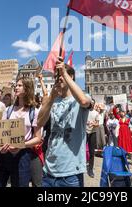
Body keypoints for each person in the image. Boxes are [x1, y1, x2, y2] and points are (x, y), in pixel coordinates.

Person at [37, 57, 93, 187]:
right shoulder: (52, 101)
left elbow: (84, 102)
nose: (58, 79)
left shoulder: (82, 98)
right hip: (49, 170)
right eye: (56, 76)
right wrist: (50, 98)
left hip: (71, 172)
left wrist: (64, 74)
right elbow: (39, 123)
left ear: (71, 76)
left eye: (60, 75)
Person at [0, 78, 42, 187]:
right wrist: (0, 147)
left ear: (27, 89)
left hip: (23, 156)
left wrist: (21, 145)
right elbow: (0, 133)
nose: (16, 87)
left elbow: (38, 138)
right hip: (4, 154)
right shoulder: (8, 110)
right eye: (16, 85)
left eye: (20, 85)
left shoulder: (34, 112)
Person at [86, 105, 100, 178]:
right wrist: (86, 122)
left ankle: (90, 170)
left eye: (92, 103)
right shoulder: (84, 111)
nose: (91, 104)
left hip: (93, 133)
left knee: (92, 152)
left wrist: (93, 124)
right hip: (85, 132)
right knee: (81, 150)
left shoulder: (96, 113)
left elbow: (98, 124)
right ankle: (80, 166)